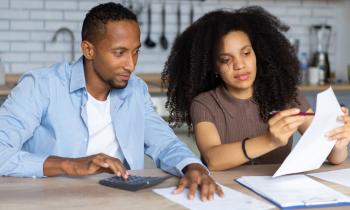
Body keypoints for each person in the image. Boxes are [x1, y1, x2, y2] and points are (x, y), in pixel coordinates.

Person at [0, 2, 224, 201]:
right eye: (120, 53)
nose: (131, 65)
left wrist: (193, 167)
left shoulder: (136, 90)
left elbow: (165, 143)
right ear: (88, 50)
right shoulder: (41, 86)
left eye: (135, 52)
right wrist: (71, 164)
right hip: (54, 200)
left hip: (121, 200)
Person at [161, 6, 350, 171]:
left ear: (257, 53)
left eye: (246, 53)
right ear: (214, 66)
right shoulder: (205, 103)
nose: (239, 65)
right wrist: (270, 140)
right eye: (226, 59)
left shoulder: (287, 95)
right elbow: (213, 159)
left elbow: (332, 156)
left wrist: (339, 142)